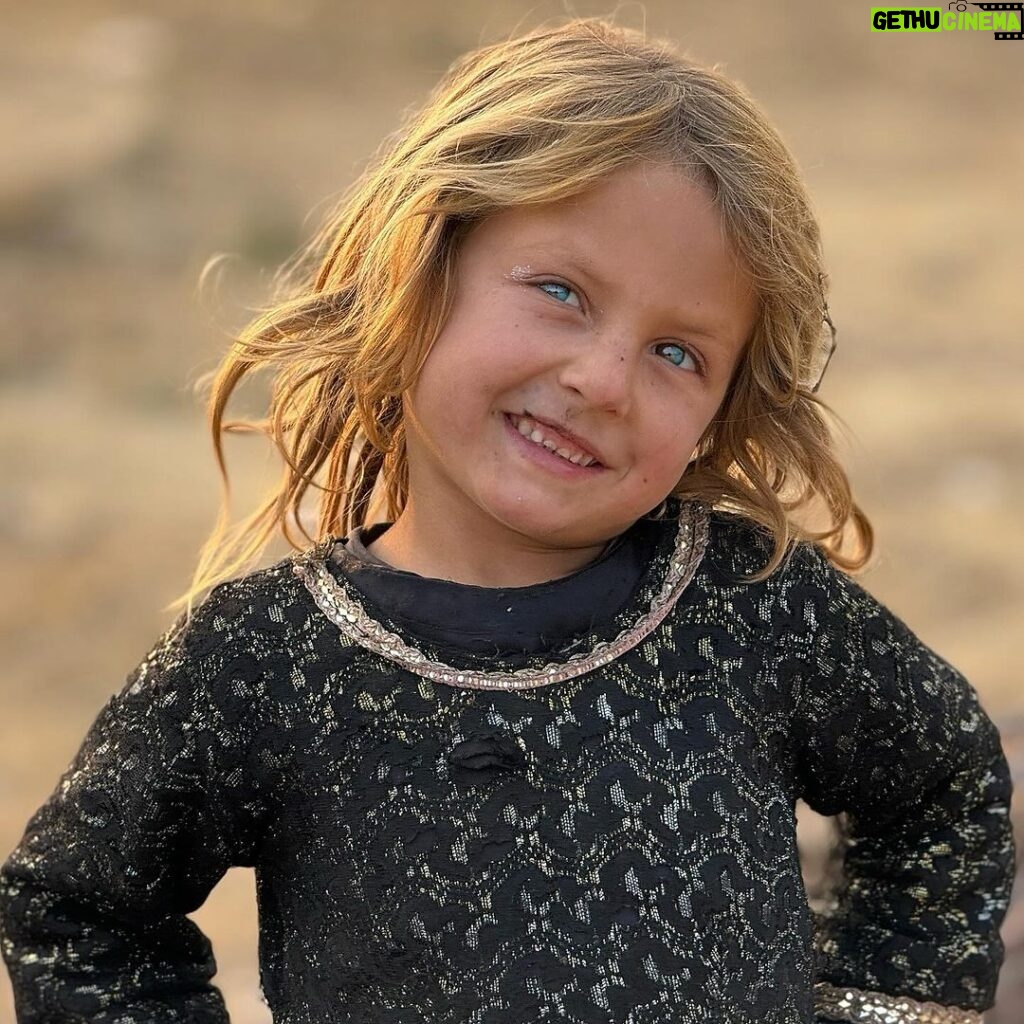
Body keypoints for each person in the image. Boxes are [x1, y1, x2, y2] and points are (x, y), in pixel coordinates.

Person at [0, 16, 1014, 1024]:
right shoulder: (259, 660)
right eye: (562, 292)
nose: (603, 378)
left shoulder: (755, 608)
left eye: (677, 353)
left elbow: (943, 786)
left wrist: (883, 1008)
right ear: (421, 267)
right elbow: (80, 914)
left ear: (721, 411)